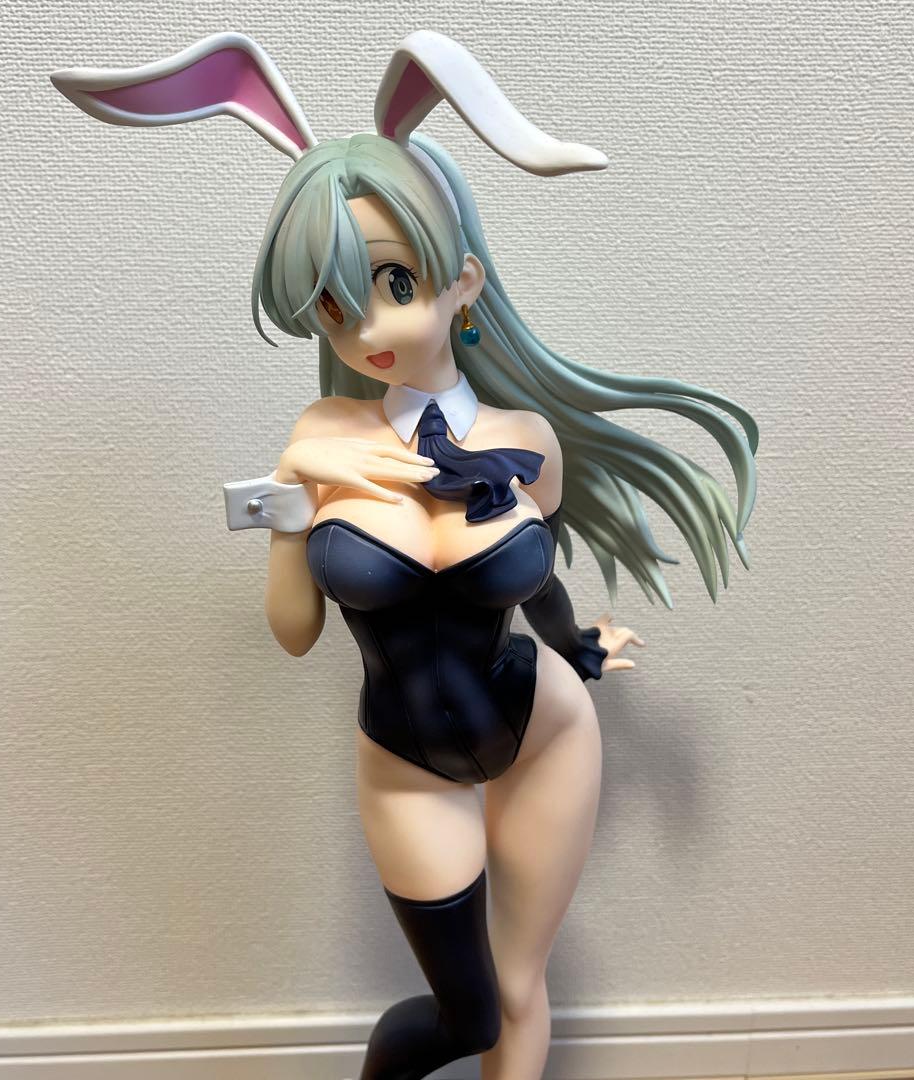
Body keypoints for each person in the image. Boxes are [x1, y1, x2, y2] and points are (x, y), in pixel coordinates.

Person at [52, 29, 758, 1080]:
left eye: (393, 280)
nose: (364, 328)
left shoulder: (525, 441)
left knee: (520, 989)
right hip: (404, 764)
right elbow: (296, 635)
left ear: (462, 281)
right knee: (466, 1015)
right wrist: (292, 514)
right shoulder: (322, 441)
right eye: (334, 301)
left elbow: (539, 571)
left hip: (546, 727)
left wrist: (581, 646)